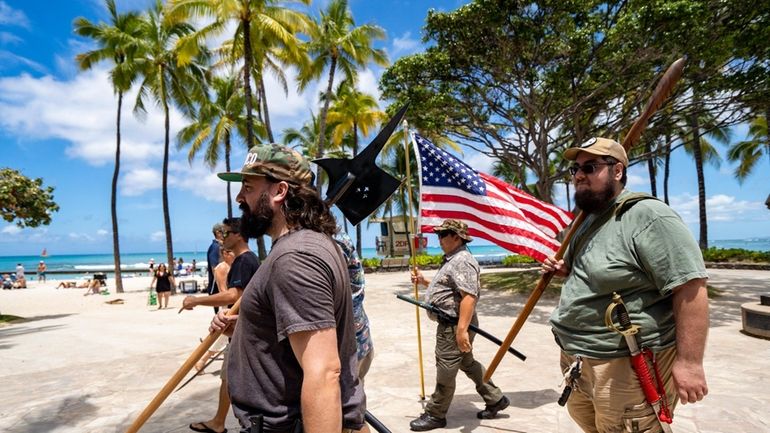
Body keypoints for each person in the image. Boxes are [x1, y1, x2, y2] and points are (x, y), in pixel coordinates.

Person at [541, 137, 709, 433]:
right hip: (578, 358)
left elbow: (690, 288)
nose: (579, 175)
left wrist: (690, 363)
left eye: (590, 167)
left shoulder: (648, 216)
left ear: (617, 171)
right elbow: (592, 268)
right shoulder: (586, 219)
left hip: (626, 363)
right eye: (575, 168)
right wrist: (564, 269)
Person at [209, 143, 365, 433]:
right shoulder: (306, 244)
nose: (240, 197)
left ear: (279, 191)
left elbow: (323, 373)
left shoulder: (295, 258)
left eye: (248, 187)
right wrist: (251, 328)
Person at [408, 219, 509, 431]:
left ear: (457, 237)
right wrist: (424, 282)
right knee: (467, 363)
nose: (440, 238)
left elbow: (469, 297)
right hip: (455, 323)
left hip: (454, 325)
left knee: (446, 367)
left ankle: (436, 414)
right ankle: (495, 398)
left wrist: (461, 331)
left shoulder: (462, 260)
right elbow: (450, 287)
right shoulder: (453, 259)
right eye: (439, 234)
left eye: (444, 234)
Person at [183, 217, 259, 433]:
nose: (221, 238)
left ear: (238, 235)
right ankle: (218, 421)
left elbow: (236, 295)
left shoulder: (244, 261)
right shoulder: (246, 260)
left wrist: (196, 301)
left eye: (225, 234)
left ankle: (222, 423)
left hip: (245, 334)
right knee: (228, 377)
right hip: (240, 330)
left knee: (233, 379)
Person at [334, 229, 374, 433]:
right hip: (356, 341)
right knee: (352, 414)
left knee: (346, 416)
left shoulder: (331, 242)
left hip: (347, 346)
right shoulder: (335, 237)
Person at [195, 248, 236, 373]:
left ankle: (202, 360)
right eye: (231, 251)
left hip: (232, 303)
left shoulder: (235, 265)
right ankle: (202, 359)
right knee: (223, 335)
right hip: (229, 305)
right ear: (225, 253)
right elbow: (223, 290)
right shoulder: (222, 268)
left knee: (224, 336)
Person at [206, 223, 225, 300]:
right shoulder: (215, 247)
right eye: (224, 232)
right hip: (217, 288)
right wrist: (222, 288)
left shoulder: (219, 246)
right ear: (218, 233)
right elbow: (215, 268)